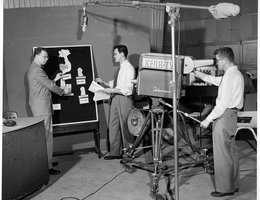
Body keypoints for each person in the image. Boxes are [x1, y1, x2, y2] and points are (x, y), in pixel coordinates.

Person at [194, 47, 244, 197]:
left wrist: (207, 120)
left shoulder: (230, 76)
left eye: (217, 60)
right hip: (232, 116)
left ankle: (224, 189)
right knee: (231, 152)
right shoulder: (234, 74)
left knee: (222, 155)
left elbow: (221, 104)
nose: (216, 63)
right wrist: (198, 74)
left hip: (224, 116)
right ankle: (233, 185)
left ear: (225, 59)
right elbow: (216, 81)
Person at [27, 47, 70, 175]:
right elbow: (50, 86)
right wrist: (63, 91)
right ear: (37, 56)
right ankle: (47, 166)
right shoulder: (37, 70)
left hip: (39, 106)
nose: (46, 59)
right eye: (44, 57)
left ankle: (48, 161)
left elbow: (44, 84)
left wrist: (55, 79)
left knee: (45, 136)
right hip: (42, 107)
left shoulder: (34, 69)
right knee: (47, 137)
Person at [96, 45, 135, 160]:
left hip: (124, 99)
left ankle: (128, 153)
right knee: (113, 126)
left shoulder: (129, 68)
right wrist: (103, 82)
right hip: (115, 98)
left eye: (115, 54)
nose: (114, 56)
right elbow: (117, 83)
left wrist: (112, 90)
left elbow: (128, 89)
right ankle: (115, 153)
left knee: (125, 127)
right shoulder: (120, 68)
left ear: (122, 54)